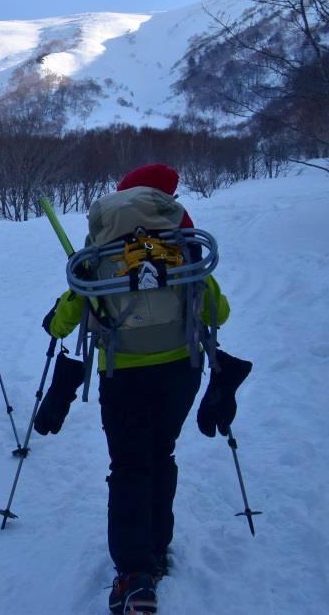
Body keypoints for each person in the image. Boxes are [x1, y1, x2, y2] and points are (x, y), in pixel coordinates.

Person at [40, 164, 231, 614]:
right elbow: (216, 313)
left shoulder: (99, 253)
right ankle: (157, 550)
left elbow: (71, 314)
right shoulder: (183, 249)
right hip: (180, 369)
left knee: (128, 466)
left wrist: (56, 320)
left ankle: (134, 576)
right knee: (160, 455)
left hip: (122, 374)